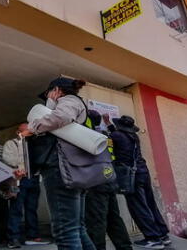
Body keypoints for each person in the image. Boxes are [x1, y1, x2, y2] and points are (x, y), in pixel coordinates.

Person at [19, 77, 95, 250]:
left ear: (57, 90)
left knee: (65, 232)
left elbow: (61, 117)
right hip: (72, 169)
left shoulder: (69, 101)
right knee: (77, 229)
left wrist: (31, 128)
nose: (47, 97)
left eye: (48, 93)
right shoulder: (72, 102)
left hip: (61, 169)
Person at [109, 116, 170, 249]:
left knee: (138, 207)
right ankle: (163, 235)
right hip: (143, 172)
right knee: (150, 204)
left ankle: (152, 238)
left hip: (131, 176)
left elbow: (108, 142)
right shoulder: (134, 137)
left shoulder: (116, 135)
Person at [85, 111, 133, 250]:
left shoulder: (88, 137)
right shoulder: (106, 136)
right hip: (109, 180)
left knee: (96, 222)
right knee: (114, 218)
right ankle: (125, 247)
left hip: (96, 183)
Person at [3, 123, 51, 248]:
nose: (27, 133)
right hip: (19, 180)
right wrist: (21, 165)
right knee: (16, 209)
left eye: (29, 131)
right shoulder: (11, 144)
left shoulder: (35, 143)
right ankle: (13, 238)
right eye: (24, 131)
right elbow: (8, 159)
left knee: (31, 209)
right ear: (17, 132)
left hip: (34, 179)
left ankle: (32, 236)